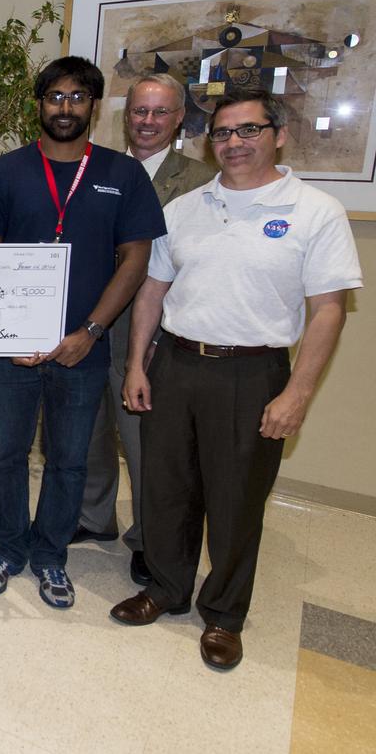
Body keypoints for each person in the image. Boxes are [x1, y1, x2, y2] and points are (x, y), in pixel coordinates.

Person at [112, 86, 362, 670]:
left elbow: (327, 310)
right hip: (174, 362)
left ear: (277, 135)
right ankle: (167, 589)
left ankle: (223, 613)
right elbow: (154, 289)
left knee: (236, 500)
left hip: (252, 372)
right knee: (167, 489)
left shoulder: (314, 211)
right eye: (222, 133)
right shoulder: (185, 208)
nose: (234, 143)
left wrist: (297, 393)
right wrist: (135, 364)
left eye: (248, 130)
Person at [0, 56, 165, 609]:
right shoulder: (3, 173)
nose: (65, 107)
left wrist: (91, 331)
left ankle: (52, 555)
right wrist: (9, 334)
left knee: (69, 459)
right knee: (5, 453)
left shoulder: (122, 175)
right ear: (39, 104)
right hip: (11, 353)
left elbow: (135, 261)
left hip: (83, 350)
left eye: (78, 98)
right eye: (55, 97)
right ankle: (6, 547)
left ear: (94, 108)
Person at [73, 73, 215, 589]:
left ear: (179, 118)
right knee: (90, 433)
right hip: (92, 327)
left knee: (147, 445)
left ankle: (148, 539)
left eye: (160, 112)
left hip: (152, 337)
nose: (147, 122)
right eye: (138, 111)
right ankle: (93, 517)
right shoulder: (100, 170)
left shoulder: (200, 181)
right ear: (124, 115)